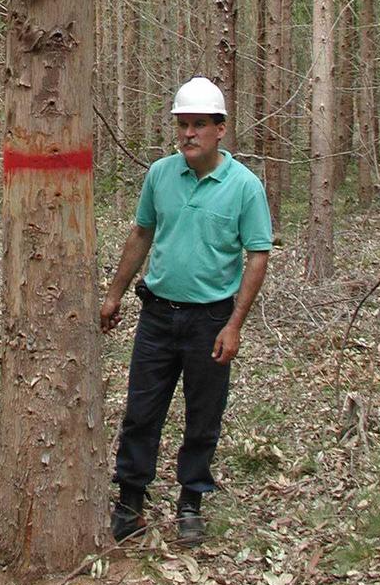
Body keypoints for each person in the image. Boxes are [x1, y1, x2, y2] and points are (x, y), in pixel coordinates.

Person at [100, 77, 272, 547]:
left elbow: (257, 254)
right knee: (142, 410)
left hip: (210, 321)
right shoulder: (160, 175)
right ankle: (130, 500)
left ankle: (190, 501)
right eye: (182, 125)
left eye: (199, 125)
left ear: (221, 130)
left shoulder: (244, 187)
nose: (188, 134)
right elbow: (141, 234)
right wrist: (114, 294)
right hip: (157, 316)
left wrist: (234, 325)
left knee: (203, 414)